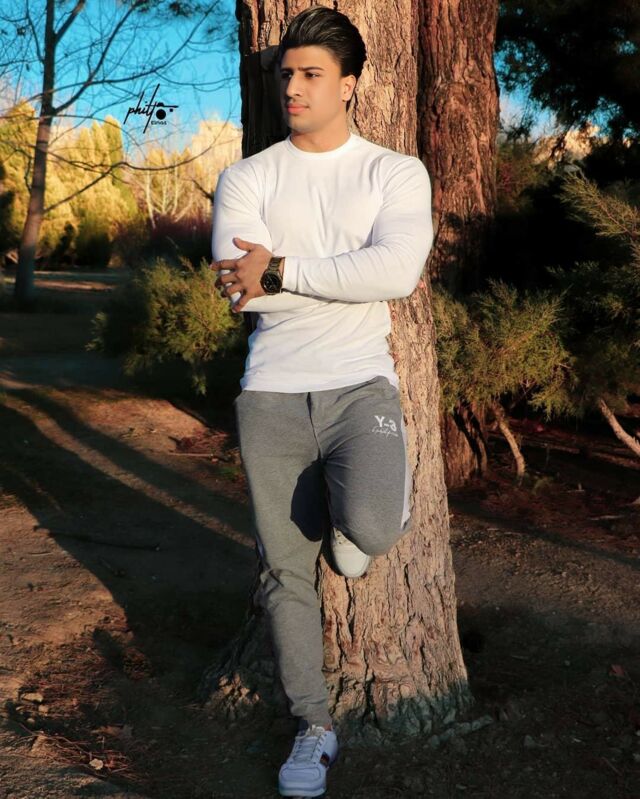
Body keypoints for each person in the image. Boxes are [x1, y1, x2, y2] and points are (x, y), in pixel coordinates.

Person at [211, 6, 433, 796]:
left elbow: (395, 273)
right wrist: (333, 273)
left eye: (311, 74)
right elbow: (240, 291)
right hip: (270, 393)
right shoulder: (247, 177)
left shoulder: (394, 172)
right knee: (285, 572)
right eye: (286, 74)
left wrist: (282, 269)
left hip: (358, 385)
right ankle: (313, 726)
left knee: (369, 527)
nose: (293, 88)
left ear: (350, 84)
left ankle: (359, 521)